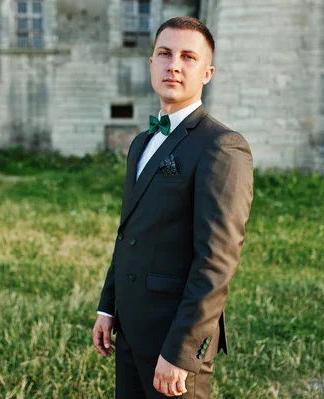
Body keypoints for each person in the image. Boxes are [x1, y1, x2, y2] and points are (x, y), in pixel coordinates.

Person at [92, 16, 254, 398]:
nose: (174, 65)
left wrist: (182, 351)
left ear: (207, 72)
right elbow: (129, 233)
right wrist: (108, 307)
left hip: (174, 338)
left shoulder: (222, 146)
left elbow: (218, 259)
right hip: (130, 328)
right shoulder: (140, 144)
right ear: (151, 63)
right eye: (164, 53)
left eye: (188, 57)